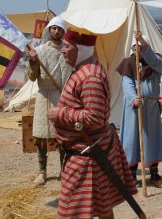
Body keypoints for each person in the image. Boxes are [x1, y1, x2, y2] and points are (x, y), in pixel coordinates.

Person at [48, 28, 137, 219]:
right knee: (101, 207)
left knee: (71, 210)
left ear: (79, 49)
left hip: (89, 153)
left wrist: (60, 113)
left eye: (66, 46)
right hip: (88, 151)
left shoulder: (90, 77)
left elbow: (94, 118)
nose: (62, 50)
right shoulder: (82, 70)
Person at [117, 30, 162, 188]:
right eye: (135, 47)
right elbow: (127, 83)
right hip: (134, 108)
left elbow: (152, 59)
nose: (137, 50)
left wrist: (142, 42)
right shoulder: (128, 63)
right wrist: (133, 98)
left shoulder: (157, 61)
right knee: (132, 141)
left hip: (151, 107)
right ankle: (131, 176)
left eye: (141, 47)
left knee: (152, 140)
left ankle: (154, 174)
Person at [26, 16, 72, 186]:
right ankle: (42, 171)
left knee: (62, 136)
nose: (56, 31)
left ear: (63, 31)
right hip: (44, 96)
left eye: (59, 29)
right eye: (53, 28)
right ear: (49, 30)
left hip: (62, 96)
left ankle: (64, 171)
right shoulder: (39, 51)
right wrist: (32, 62)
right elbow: (31, 77)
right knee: (41, 136)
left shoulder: (67, 50)